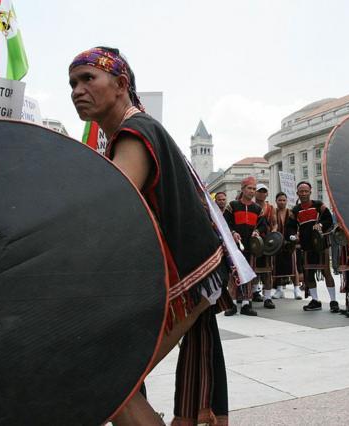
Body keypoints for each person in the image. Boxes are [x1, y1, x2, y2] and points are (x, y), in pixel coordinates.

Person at [69, 46, 232, 425]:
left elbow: (109, 217)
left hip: (189, 281)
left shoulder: (133, 132)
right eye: (73, 83)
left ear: (121, 83)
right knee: (116, 384)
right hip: (192, 277)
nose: (77, 90)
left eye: (88, 79)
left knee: (110, 383)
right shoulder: (136, 129)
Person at [287, 181, 339, 313]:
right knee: (309, 274)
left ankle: (333, 301)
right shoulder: (295, 210)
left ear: (310, 192)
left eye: (306, 191)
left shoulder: (319, 206)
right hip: (306, 246)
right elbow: (291, 226)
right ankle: (315, 300)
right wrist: (293, 236)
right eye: (301, 191)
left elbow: (328, 220)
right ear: (297, 193)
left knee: (326, 272)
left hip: (322, 245)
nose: (303, 193)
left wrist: (320, 225)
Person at [223, 176, 267, 316]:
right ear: (243, 189)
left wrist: (257, 231)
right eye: (249, 188)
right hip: (235, 247)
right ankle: (234, 304)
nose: (252, 191)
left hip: (251, 247)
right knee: (235, 274)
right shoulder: (232, 206)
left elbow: (262, 225)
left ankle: (247, 304)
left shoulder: (257, 209)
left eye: (254, 189)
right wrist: (233, 232)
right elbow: (225, 224)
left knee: (248, 274)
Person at [272, 192, 302, 300]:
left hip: (290, 243)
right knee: (277, 267)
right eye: (280, 200)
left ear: (286, 201)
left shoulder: (291, 212)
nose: (282, 202)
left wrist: (297, 235)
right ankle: (279, 290)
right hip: (277, 243)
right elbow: (272, 225)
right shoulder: (273, 212)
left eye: (284, 200)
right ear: (276, 201)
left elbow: (297, 226)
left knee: (294, 267)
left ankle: (296, 289)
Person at [253, 183, 277, 308]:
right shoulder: (251, 206)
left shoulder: (270, 208)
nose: (262, 193)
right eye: (259, 191)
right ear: (255, 193)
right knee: (254, 270)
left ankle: (267, 297)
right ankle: (254, 292)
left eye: (264, 191)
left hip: (266, 242)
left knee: (267, 271)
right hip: (253, 242)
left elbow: (275, 223)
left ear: (267, 193)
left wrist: (273, 233)